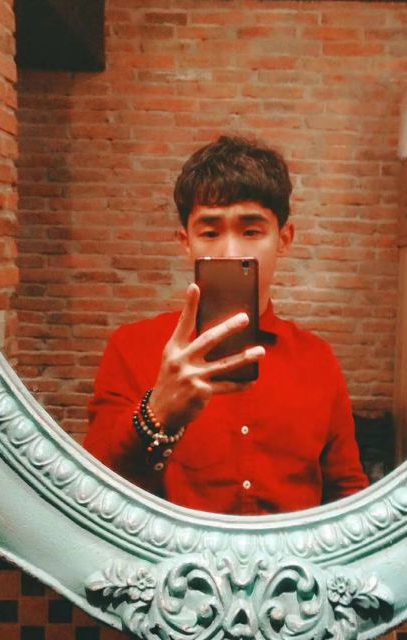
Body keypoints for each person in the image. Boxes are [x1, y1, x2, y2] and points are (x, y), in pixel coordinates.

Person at [84, 135, 369, 515]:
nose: (231, 252)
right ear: (186, 242)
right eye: (210, 232)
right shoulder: (132, 347)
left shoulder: (317, 360)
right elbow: (93, 491)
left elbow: (347, 492)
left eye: (251, 231)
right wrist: (157, 412)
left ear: (284, 239)